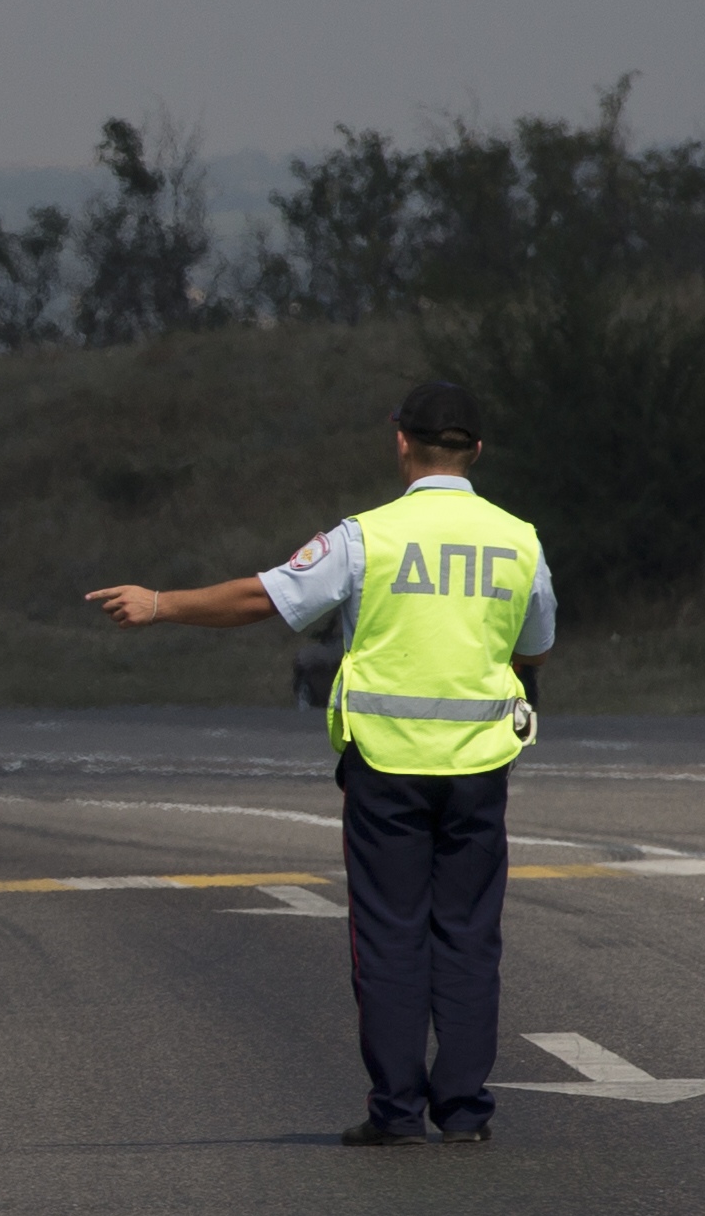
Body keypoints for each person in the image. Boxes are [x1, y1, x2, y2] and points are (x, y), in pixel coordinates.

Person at [85, 380, 553, 1147]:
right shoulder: (520, 538)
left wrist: (160, 602)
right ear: (477, 450)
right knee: (467, 935)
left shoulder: (365, 536)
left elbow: (264, 597)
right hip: (478, 767)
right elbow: (534, 644)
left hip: (385, 765)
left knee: (391, 933)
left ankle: (397, 1112)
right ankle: (464, 1110)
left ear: (399, 440)